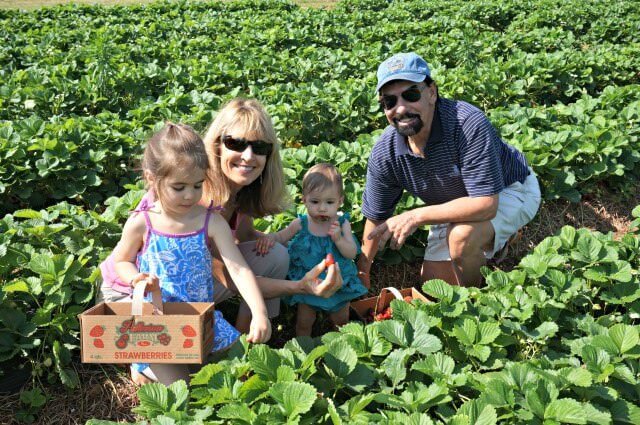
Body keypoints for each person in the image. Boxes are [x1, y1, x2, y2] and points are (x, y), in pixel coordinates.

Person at [97, 98, 343, 384]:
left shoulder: (215, 212)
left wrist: (283, 244)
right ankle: (143, 360)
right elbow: (225, 273)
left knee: (273, 257)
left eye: (259, 147)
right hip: (140, 298)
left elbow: (240, 255)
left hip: (188, 291)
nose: (249, 156)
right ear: (216, 145)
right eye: (236, 143)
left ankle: (247, 334)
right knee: (182, 380)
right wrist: (299, 287)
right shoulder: (177, 200)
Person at [357, 52, 541, 288]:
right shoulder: (386, 152)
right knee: (435, 287)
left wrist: (415, 216)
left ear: (432, 92)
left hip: (508, 189)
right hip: (455, 203)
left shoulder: (467, 124)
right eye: (390, 102)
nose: (400, 109)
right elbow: (376, 216)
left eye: (410, 95)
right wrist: (362, 271)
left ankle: (475, 302)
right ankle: (498, 241)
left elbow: (486, 204)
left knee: (461, 238)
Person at [113, 122, 270, 384]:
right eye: (179, 187)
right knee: (181, 389)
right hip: (157, 325)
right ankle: (142, 365)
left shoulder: (211, 222)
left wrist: (259, 312)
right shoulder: (143, 222)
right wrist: (135, 278)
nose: (189, 195)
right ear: (153, 179)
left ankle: (170, 365)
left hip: (199, 318)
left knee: (239, 370)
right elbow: (121, 260)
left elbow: (239, 269)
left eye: (197, 185)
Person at [255, 163, 368, 336]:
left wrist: (338, 239)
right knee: (304, 323)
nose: (322, 208)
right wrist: (271, 237)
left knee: (341, 320)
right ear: (304, 199)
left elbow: (351, 253)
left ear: (340, 201)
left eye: (329, 202)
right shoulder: (301, 223)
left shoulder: (342, 224)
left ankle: (343, 346)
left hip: (337, 283)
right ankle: (304, 349)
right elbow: (281, 237)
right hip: (308, 284)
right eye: (315, 201)